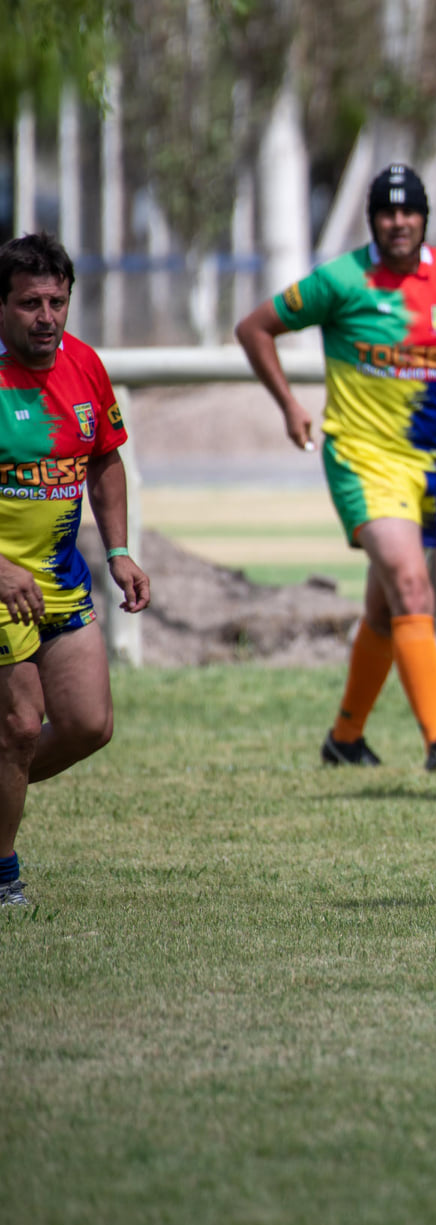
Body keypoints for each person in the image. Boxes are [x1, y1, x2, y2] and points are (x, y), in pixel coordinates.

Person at [235, 164, 436, 772]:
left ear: (424, 217)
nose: (398, 222)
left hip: (425, 467)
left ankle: (345, 738)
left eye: (409, 210)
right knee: (413, 586)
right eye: (386, 212)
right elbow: (255, 328)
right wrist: (290, 405)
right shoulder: (342, 279)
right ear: (372, 219)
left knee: (385, 607)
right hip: (360, 459)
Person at [0, 233, 151, 906]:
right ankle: (3, 877)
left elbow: (105, 458)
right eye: (30, 303)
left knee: (90, 723)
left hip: (60, 579)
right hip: (1, 584)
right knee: (18, 727)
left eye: (57, 302)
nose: (46, 317)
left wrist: (118, 550)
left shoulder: (84, 364)